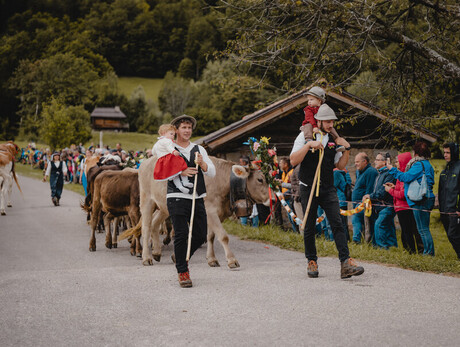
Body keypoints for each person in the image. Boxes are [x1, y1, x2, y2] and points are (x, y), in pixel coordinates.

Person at [290, 103, 364, 279]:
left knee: (337, 223)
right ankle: (311, 261)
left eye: (332, 122)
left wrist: (346, 149)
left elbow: (340, 165)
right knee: (309, 226)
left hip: (327, 187)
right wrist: (309, 146)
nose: (331, 125)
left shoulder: (332, 139)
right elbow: (293, 160)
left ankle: (345, 263)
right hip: (308, 186)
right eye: (327, 121)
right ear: (319, 121)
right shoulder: (304, 136)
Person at [166, 115, 216, 287]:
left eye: (189, 128)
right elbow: (162, 172)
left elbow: (212, 172)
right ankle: (183, 271)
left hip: (197, 197)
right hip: (176, 196)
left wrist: (202, 164)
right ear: (177, 130)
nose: (187, 131)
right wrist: (181, 171)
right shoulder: (169, 147)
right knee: (181, 233)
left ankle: (180, 257)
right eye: (183, 127)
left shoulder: (199, 149)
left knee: (201, 234)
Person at [387, 141, 435, 256]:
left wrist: (391, 169)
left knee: (422, 229)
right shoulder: (428, 164)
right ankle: (428, 252)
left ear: (415, 152)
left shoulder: (418, 164)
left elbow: (406, 177)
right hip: (427, 197)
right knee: (423, 228)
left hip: (421, 199)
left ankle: (429, 253)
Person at [384, 152, 423, 254]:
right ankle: (410, 250)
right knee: (406, 231)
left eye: (397, 161)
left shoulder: (405, 176)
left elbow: (403, 194)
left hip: (404, 207)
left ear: (403, 162)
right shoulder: (400, 175)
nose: (396, 163)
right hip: (401, 207)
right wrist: (394, 186)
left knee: (408, 231)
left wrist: (390, 191)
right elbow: (401, 189)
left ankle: (412, 251)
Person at [362, 153, 397, 249]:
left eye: (377, 160)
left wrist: (370, 196)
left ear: (384, 162)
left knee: (379, 225)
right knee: (389, 227)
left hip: (387, 206)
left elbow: (382, 193)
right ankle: (393, 247)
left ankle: (382, 248)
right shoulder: (379, 174)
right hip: (379, 206)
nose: (375, 161)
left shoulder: (389, 174)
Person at [153, 124, 195, 194]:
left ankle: (180, 186)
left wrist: (159, 156)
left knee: (174, 174)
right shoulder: (167, 140)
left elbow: (154, 151)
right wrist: (173, 151)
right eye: (171, 134)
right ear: (164, 133)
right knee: (182, 167)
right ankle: (185, 182)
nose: (173, 136)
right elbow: (169, 147)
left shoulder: (158, 142)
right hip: (169, 158)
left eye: (174, 134)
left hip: (162, 161)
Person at [300, 86, 344, 152]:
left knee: (332, 129)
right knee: (308, 127)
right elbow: (310, 118)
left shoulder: (323, 109)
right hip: (311, 123)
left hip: (320, 125)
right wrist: (314, 126)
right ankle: (308, 141)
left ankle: (338, 141)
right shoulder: (308, 109)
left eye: (311, 100)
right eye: (308, 100)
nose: (309, 102)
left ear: (319, 100)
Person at [438, 143, 460, 259]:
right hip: (444, 210)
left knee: (453, 235)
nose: (445, 155)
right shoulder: (444, 171)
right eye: (444, 152)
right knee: (451, 235)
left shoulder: (459, 168)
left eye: (448, 152)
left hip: (454, 211)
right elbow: (441, 191)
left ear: (454, 153)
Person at [351, 153, 378, 243]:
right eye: (355, 162)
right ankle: (359, 240)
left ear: (365, 161)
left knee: (357, 218)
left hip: (365, 203)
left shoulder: (371, 172)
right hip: (357, 203)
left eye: (358, 162)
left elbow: (370, 188)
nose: (356, 164)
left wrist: (364, 202)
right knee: (358, 220)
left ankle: (357, 240)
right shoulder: (359, 171)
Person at [333, 168, 352, 240]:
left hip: (339, 200)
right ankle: (345, 239)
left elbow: (333, 186)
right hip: (342, 200)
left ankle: (344, 239)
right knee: (343, 223)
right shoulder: (343, 171)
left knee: (341, 223)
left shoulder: (336, 173)